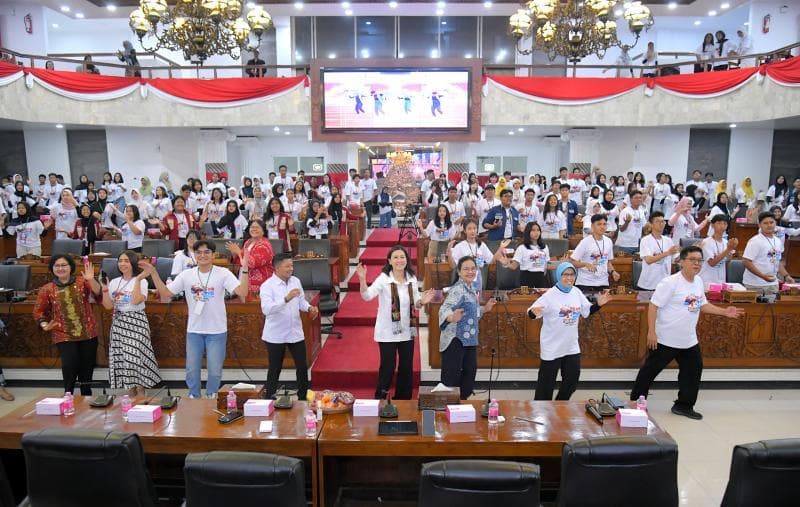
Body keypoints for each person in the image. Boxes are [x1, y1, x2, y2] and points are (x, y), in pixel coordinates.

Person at [630, 246, 745, 420]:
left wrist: (724, 312)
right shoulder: (670, 282)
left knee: (693, 372)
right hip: (665, 339)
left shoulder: (698, 281)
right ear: (682, 261)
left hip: (689, 340)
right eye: (692, 259)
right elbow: (653, 305)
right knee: (649, 372)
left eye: (699, 260)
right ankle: (635, 403)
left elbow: (702, 304)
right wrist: (651, 332)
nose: (697, 263)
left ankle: (683, 406)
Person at [148, 240, 250, 398]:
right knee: (191, 369)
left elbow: (242, 292)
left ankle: (212, 396)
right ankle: (193, 397)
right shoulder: (186, 275)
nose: (203, 255)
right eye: (199, 253)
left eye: (207, 252)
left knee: (215, 370)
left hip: (217, 330)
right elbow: (166, 293)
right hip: (194, 330)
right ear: (194, 255)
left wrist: (245, 269)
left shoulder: (223, 273)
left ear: (213, 255)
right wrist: (154, 273)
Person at [357, 246, 434, 400]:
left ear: (407, 260)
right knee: (388, 367)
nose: (400, 260)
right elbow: (367, 296)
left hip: (407, 330)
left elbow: (416, 303)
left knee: (406, 368)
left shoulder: (411, 278)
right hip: (387, 332)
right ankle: (380, 398)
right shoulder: (384, 279)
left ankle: (403, 400)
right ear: (389, 261)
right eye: (396, 257)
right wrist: (362, 279)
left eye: (402, 257)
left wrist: (422, 302)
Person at [527, 262, 610, 400]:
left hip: (571, 346)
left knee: (571, 383)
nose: (569, 278)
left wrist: (599, 305)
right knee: (545, 387)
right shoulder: (550, 295)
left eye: (572, 274)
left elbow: (586, 312)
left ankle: (560, 406)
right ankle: (541, 412)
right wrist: (533, 312)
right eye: (565, 274)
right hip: (552, 347)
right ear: (559, 276)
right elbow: (532, 312)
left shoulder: (576, 292)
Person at [33, 255, 102, 395]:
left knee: (87, 367)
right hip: (63, 334)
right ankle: (68, 394)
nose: (60, 268)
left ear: (71, 267)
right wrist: (44, 325)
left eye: (64, 265)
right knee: (69, 365)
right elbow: (38, 311)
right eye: (57, 266)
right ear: (52, 269)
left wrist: (91, 279)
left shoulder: (83, 282)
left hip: (88, 332)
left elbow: (98, 295)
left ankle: (86, 395)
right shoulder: (47, 289)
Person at [259, 253, 318, 401]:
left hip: (295, 332)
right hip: (275, 335)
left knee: (302, 367)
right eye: (287, 266)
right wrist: (286, 298)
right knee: (275, 368)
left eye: (292, 265)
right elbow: (267, 309)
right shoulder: (267, 286)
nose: (291, 268)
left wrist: (310, 308)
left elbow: (301, 302)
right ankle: (269, 398)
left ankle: (303, 398)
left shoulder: (295, 281)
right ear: (277, 268)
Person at [101, 251, 161, 394]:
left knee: (135, 357)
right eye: (120, 260)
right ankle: (131, 393)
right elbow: (108, 306)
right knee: (124, 359)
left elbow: (135, 301)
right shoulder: (115, 282)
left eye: (126, 261)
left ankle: (141, 393)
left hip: (136, 322)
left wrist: (138, 279)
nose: (122, 263)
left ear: (133, 263)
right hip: (119, 324)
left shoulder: (142, 281)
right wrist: (104, 289)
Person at [438, 256, 497, 400]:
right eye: (466, 269)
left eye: (473, 269)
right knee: (452, 378)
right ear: (458, 272)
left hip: (469, 339)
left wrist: (485, 309)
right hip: (455, 339)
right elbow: (444, 309)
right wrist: (451, 317)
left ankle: (461, 408)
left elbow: (472, 313)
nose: (470, 272)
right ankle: (448, 410)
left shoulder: (472, 289)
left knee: (469, 374)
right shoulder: (458, 290)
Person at [742, 212, 795, 294]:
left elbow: (776, 261)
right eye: (765, 223)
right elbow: (746, 261)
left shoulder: (777, 241)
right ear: (759, 225)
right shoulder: (755, 241)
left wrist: (786, 276)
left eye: (771, 222)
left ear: (775, 223)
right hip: (754, 285)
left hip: (772, 284)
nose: (769, 225)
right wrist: (762, 276)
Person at [447, 219, 508, 291]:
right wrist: (449, 253)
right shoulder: (460, 246)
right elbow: (453, 265)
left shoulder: (481, 245)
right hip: (464, 280)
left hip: (478, 280)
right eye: (469, 229)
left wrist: (500, 248)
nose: (472, 231)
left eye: (474, 228)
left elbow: (491, 261)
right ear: (465, 231)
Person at [570, 215, 620, 291]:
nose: (602, 227)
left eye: (604, 224)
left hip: (603, 283)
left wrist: (613, 271)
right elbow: (572, 262)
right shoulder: (585, 242)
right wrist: (585, 264)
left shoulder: (609, 241)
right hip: (585, 283)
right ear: (592, 226)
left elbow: (608, 262)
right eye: (599, 224)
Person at [228, 219, 274, 297]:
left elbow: (253, 263)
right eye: (252, 227)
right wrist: (235, 254)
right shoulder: (248, 242)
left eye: (257, 227)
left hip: (260, 282)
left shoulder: (265, 245)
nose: (254, 229)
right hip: (244, 277)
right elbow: (241, 262)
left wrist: (239, 252)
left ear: (263, 231)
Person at [637, 212, 680, 290]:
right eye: (658, 221)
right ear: (651, 224)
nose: (661, 224)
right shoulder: (645, 240)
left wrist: (690, 250)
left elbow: (676, 259)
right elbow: (648, 260)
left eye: (663, 221)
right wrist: (667, 253)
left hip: (665, 284)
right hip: (648, 284)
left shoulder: (668, 240)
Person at [698, 215, 738, 287]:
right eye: (719, 223)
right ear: (712, 225)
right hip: (707, 281)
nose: (722, 226)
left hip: (720, 280)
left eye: (725, 223)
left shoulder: (726, 242)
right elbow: (712, 263)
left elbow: (728, 260)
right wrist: (728, 249)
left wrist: (730, 251)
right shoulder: (706, 242)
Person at [508, 222, 550, 288]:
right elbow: (514, 266)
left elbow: (547, 265)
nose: (536, 232)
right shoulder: (522, 247)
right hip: (526, 278)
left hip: (541, 278)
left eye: (538, 230)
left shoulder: (545, 247)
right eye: (533, 230)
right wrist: (505, 263)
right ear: (528, 232)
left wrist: (561, 263)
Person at [616, 190, 648, 254]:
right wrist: (627, 222)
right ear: (630, 199)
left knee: (636, 263)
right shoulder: (625, 211)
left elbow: (644, 227)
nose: (638, 199)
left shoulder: (641, 211)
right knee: (624, 263)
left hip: (637, 243)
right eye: (636, 198)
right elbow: (621, 229)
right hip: (625, 244)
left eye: (640, 197)